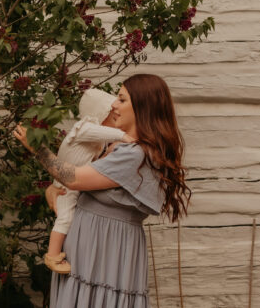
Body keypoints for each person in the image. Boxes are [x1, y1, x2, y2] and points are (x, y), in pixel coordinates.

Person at [13, 74, 191, 308]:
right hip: (89, 245)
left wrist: (39, 150)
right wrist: (52, 189)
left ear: (142, 107)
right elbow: (80, 185)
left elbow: (74, 178)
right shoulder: (114, 146)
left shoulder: (135, 155)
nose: (113, 105)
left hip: (106, 250)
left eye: (121, 99)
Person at [43, 89, 133, 275]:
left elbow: (90, 170)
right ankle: (52, 255)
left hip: (69, 184)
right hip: (65, 187)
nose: (116, 114)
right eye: (111, 113)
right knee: (65, 218)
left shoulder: (99, 140)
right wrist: (124, 137)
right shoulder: (86, 128)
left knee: (67, 217)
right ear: (99, 114)